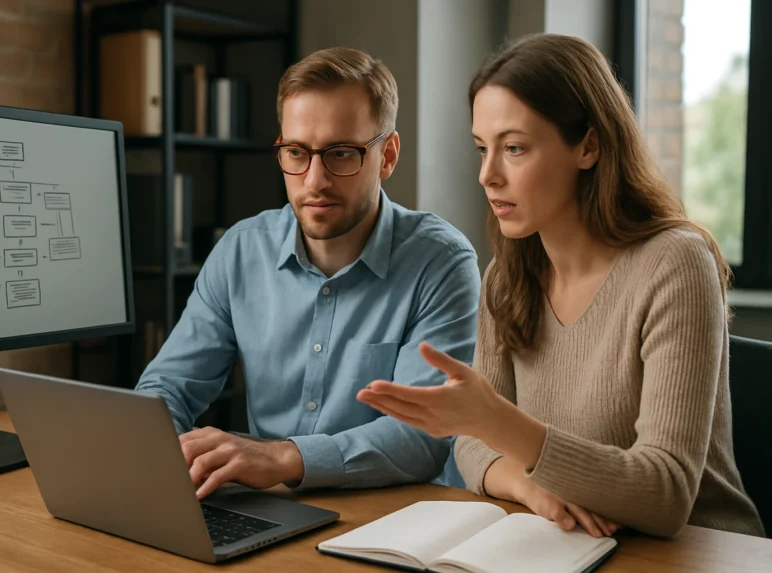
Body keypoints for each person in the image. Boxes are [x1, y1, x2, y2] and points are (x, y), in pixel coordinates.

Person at [357, 33, 766, 539]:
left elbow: (666, 494)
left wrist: (498, 423)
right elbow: (473, 447)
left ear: (588, 146)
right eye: (483, 148)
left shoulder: (676, 263)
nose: (488, 175)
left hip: (701, 551)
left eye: (514, 148)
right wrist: (533, 487)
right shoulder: (506, 279)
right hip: (568, 543)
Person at [135, 47, 480, 499]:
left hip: (392, 521)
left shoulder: (441, 263)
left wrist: (281, 459)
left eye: (341, 153)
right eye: (296, 152)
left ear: (388, 155)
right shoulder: (241, 250)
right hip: (268, 509)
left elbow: (424, 438)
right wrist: (155, 451)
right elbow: (169, 387)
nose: (314, 179)